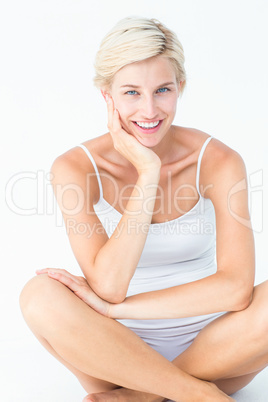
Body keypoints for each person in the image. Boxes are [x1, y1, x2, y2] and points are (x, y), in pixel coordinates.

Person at [19, 16, 268, 402]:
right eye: (131, 92)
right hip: (113, 353)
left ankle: (141, 396)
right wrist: (148, 172)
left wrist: (117, 309)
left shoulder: (218, 160)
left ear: (179, 88)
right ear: (107, 95)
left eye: (162, 90)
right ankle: (200, 396)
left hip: (219, 350)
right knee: (38, 296)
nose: (149, 110)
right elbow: (109, 287)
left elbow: (236, 291)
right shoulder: (75, 167)